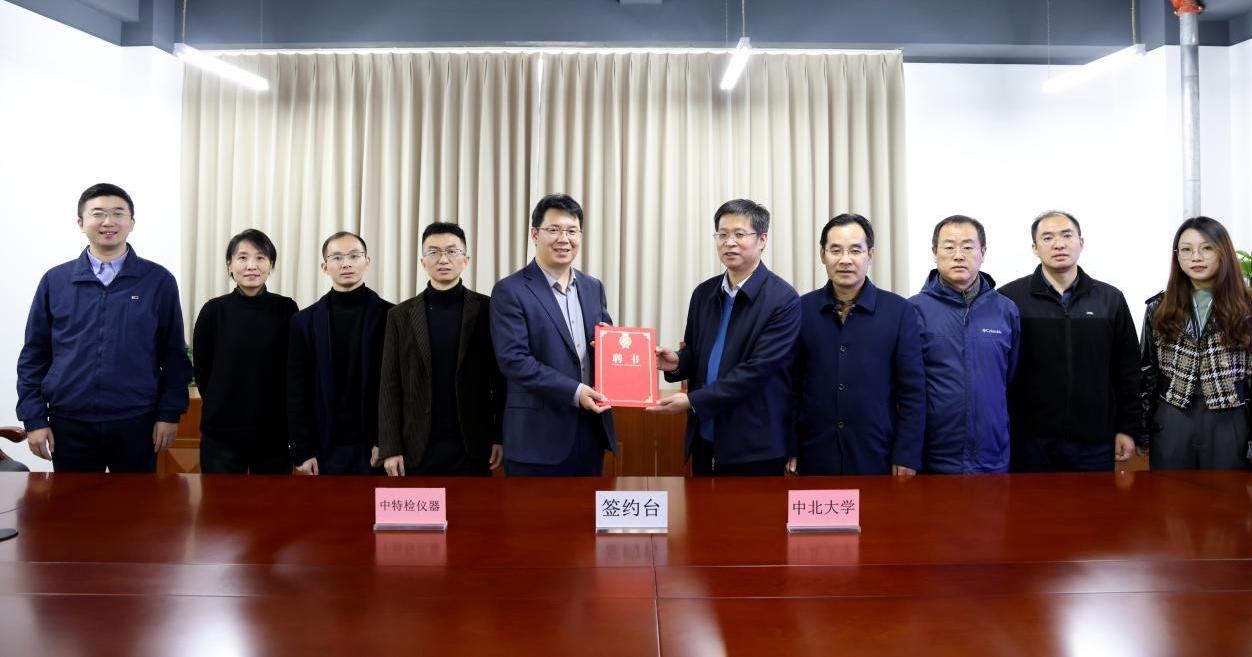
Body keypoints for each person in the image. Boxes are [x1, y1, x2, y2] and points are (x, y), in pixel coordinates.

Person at [17, 183, 192, 472]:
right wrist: (34, 419)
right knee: (74, 501)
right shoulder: (55, 281)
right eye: (98, 213)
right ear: (81, 222)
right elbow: (34, 355)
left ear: (131, 223)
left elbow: (173, 354)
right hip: (69, 422)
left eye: (118, 213)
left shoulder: (158, 281)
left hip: (137, 421)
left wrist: (169, 413)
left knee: (136, 501)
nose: (108, 222)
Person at [648, 199, 800, 476]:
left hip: (754, 444)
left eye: (739, 234)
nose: (729, 242)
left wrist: (693, 401)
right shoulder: (704, 293)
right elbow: (698, 352)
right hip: (704, 437)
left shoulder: (783, 299)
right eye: (722, 234)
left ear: (762, 240)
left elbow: (757, 371)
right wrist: (677, 362)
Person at [1000, 211, 1140, 472]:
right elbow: (1000, 371)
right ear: (1035, 248)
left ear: (1081, 242)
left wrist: (1127, 428)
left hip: (1094, 440)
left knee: (1094, 500)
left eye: (1067, 235)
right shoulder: (1010, 299)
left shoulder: (1110, 299)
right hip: (1029, 440)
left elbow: (1127, 371)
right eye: (1048, 237)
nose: (1059, 244)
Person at [490, 194, 616, 476]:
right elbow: (514, 361)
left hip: (590, 432)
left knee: (587, 506)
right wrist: (576, 392)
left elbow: (604, 345)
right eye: (554, 230)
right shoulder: (510, 290)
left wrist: (611, 347)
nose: (564, 239)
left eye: (572, 231)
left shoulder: (593, 287)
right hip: (536, 439)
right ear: (535, 234)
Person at [790, 214, 925, 475]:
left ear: (870, 254)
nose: (845, 260)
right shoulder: (801, 309)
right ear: (822, 255)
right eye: (835, 250)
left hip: (877, 453)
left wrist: (907, 454)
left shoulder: (898, 311)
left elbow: (913, 392)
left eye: (855, 250)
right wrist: (790, 446)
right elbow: (790, 387)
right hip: (814, 453)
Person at [378, 222, 505, 477]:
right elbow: (390, 384)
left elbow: (501, 379)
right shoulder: (399, 315)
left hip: (473, 444)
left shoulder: (488, 309)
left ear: (466, 260)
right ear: (423, 262)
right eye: (434, 252)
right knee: (420, 505)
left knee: (473, 505)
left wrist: (499, 436)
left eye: (452, 251)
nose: (443, 259)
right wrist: (390, 448)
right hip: (416, 447)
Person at [910, 215, 1019, 473]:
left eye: (968, 247)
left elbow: (1010, 377)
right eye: (949, 247)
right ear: (934, 253)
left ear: (983, 252)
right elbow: (907, 387)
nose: (958, 255)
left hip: (992, 456)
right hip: (933, 457)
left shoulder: (1005, 310)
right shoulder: (914, 310)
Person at [1141, 216, 1252, 470]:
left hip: (1230, 415)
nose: (1196, 257)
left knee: (1226, 493)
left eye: (1207, 248)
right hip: (1173, 415)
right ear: (1177, 256)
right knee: (1170, 492)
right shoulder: (1159, 307)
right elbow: (1146, 371)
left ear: (1223, 252)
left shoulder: (1247, 308)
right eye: (1186, 250)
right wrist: (1141, 427)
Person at [192, 229, 299, 474]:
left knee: (273, 497)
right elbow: (203, 371)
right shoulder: (213, 311)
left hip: (273, 432)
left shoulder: (286, 309)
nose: (251, 265)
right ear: (229, 265)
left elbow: (293, 369)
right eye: (242, 258)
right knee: (220, 497)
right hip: (221, 433)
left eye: (260, 258)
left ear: (271, 264)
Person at [287, 231, 394, 475]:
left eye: (354, 256)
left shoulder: (392, 316)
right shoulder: (304, 321)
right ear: (325, 266)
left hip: (375, 447)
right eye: (337, 257)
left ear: (367, 261)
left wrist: (386, 440)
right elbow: (296, 390)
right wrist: (302, 449)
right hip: (324, 447)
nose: (346, 263)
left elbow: (397, 388)